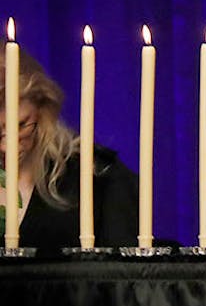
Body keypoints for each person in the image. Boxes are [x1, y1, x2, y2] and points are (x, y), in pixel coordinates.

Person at [0, 47, 138, 252]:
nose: (5, 146)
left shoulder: (98, 176)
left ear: (42, 107)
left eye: (21, 125)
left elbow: (123, 278)